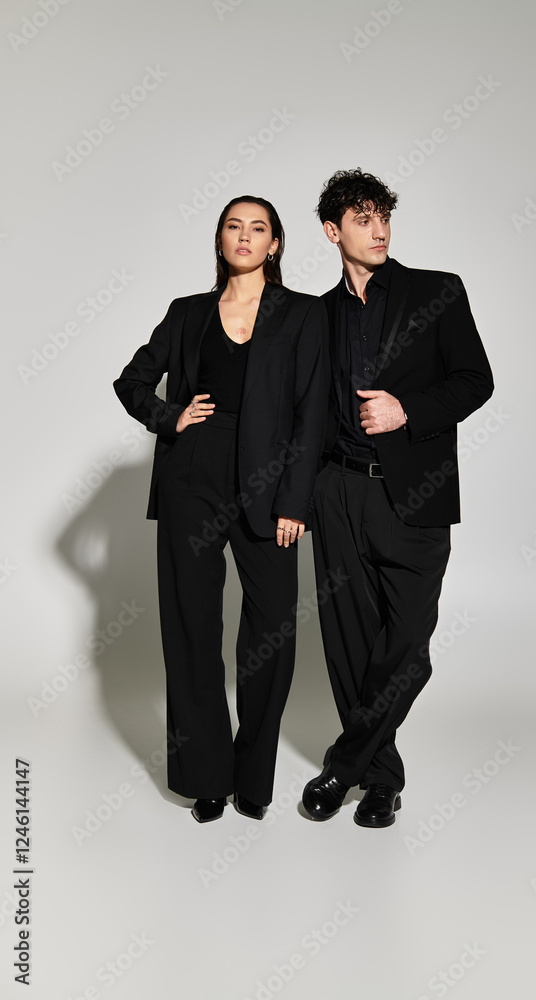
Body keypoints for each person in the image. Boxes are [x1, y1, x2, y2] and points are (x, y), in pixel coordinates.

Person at [114, 196, 328, 823]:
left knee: (272, 628)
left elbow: (313, 412)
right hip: (193, 479)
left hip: (270, 485)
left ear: (275, 244)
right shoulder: (188, 312)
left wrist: (294, 500)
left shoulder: (303, 314)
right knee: (191, 627)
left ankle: (253, 776)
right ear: (220, 239)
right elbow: (131, 380)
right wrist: (170, 416)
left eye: (258, 228)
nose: (244, 236)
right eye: (234, 226)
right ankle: (206, 775)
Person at [301, 169, 494, 828]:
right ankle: (381, 782)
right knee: (349, 643)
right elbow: (302, 411)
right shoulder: (316, 315)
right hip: (337, 492)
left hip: (414, 496)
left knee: (407, 644)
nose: (379, 230)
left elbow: (475, 380)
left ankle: (343, 765)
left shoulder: (437, 291)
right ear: (333, 232)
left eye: (383, 216)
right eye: (363, 219)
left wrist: (406, 410)